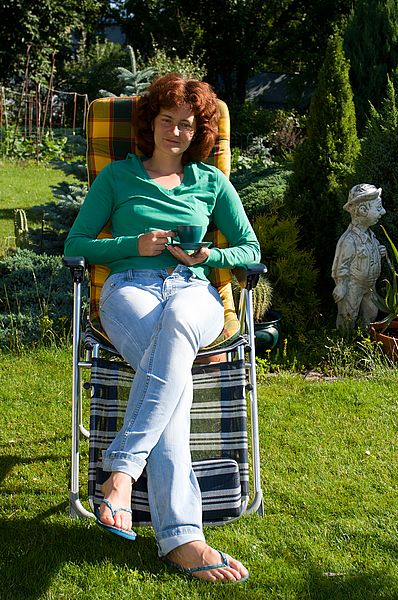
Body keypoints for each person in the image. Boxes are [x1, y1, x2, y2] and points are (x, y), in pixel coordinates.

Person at [64, 73, 259, 583]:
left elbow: (251, 251)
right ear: (150, 123)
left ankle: (122, 473)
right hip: (129, 290)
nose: (175, 132)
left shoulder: (212, 183)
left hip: (195, 293)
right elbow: (77, 245)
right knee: (173, 376)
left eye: (187, 125)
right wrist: (135, 246)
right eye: (167, 121)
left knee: (176, 326)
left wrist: (210, 254)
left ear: (199, 133)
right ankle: (182, 539)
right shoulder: (117, 178)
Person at [331, 183, 387, 332]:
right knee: (348, 314)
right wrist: (341, 284)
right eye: (378, 207)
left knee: (371, 312)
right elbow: (340, 264)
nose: (383, 212)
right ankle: (345, 342)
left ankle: (365, 338)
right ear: (362, 210)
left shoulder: (370, 235)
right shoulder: (349, 240)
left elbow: (369, 250)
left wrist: (378, 250)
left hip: (370, 285)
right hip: (353, 285)